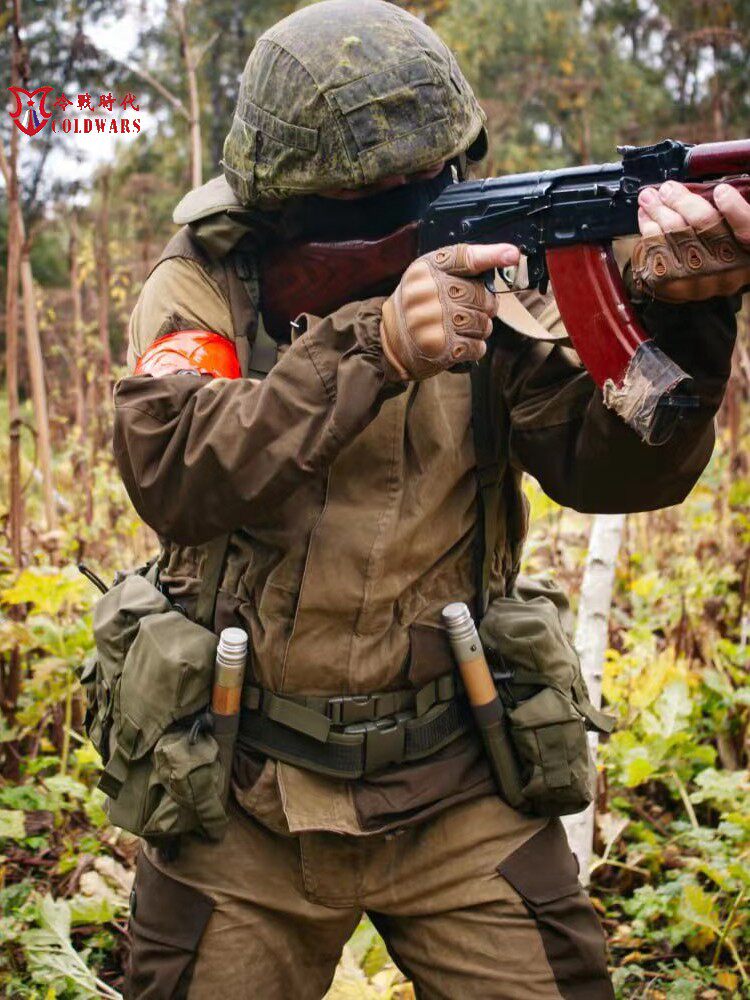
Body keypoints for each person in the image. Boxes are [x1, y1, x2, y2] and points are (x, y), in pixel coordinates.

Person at [113, 2, 749, 997]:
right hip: (241, 783)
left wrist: (689, 324)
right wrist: (372, 347)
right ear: (285, 198)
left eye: (426, 181)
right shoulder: (210, 282)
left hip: (459, 773)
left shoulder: (496, 272)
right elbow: (173, 471)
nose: (409, 208)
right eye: (365, 197)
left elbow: (611, 471)